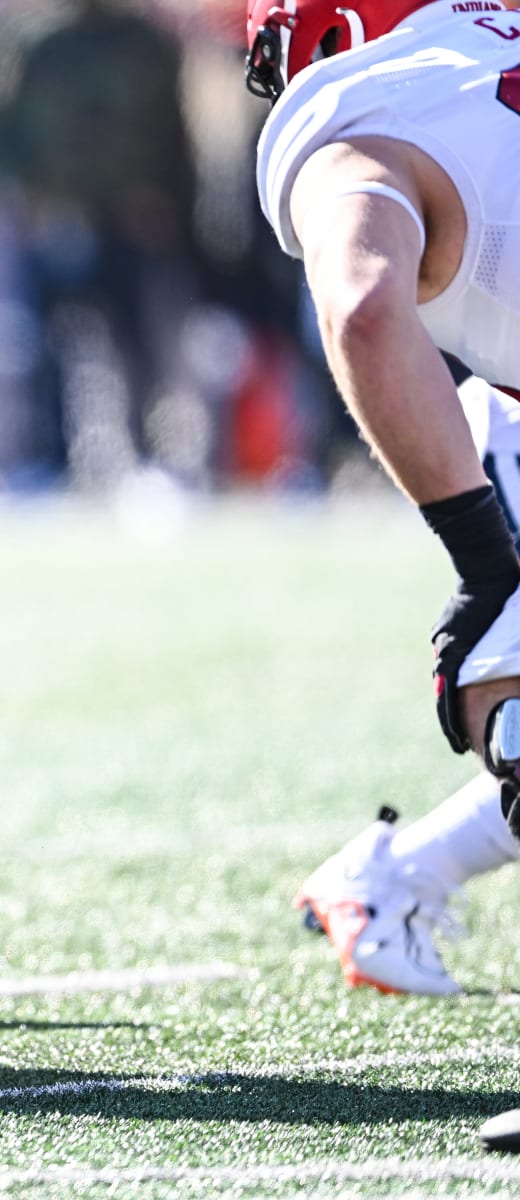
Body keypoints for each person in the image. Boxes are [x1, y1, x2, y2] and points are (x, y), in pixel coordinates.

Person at [245, 0, 520, 1153]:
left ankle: (396, 874)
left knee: (508, 695)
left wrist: (480, 561)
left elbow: (363, 304)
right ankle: (396, 876)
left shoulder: (357, 110)